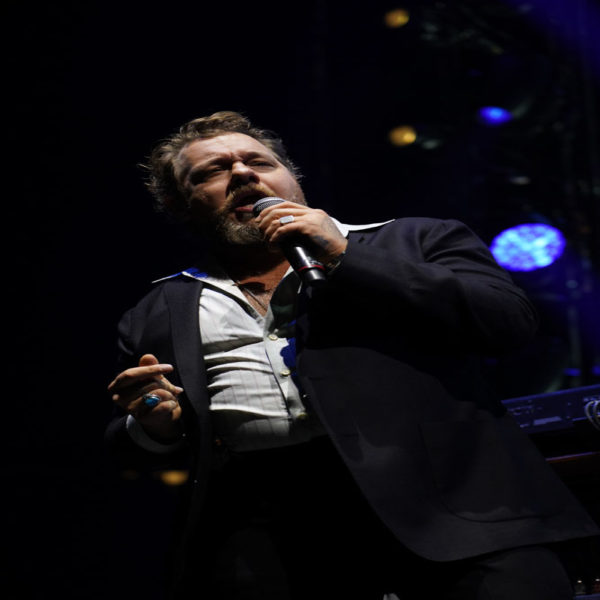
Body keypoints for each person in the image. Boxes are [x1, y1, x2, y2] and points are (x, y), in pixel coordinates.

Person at [106, 111, 598, 599]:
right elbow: (135, 448)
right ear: (178, 203)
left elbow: (506, 323)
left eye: (259, 162)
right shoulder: (156, 311)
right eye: (212, 171)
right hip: (275, 535)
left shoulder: (417, 239)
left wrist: (344, 254)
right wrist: (157, 425)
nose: (242, 174)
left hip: (461, 511)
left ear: (292, 177)